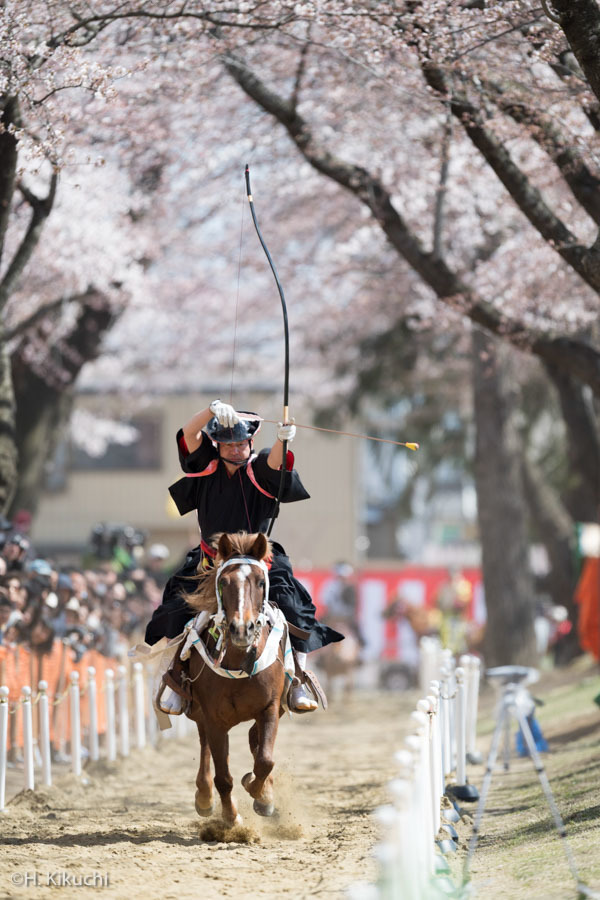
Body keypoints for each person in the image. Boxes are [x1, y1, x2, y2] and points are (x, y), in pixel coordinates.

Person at [145, 399, 342, 711]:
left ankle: (298, 679)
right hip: (210, 560)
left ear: (250, 442)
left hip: (259, 560)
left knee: (295, 606)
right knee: (174, 609)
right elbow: (188, 433)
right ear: (218, 446)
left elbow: (275, 463)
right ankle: (176, 680)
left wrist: (282, 440)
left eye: (241, 444)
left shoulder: (258, 468)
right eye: (228, 445)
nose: (236, 450)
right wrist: (210, 410)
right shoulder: (205, 464)